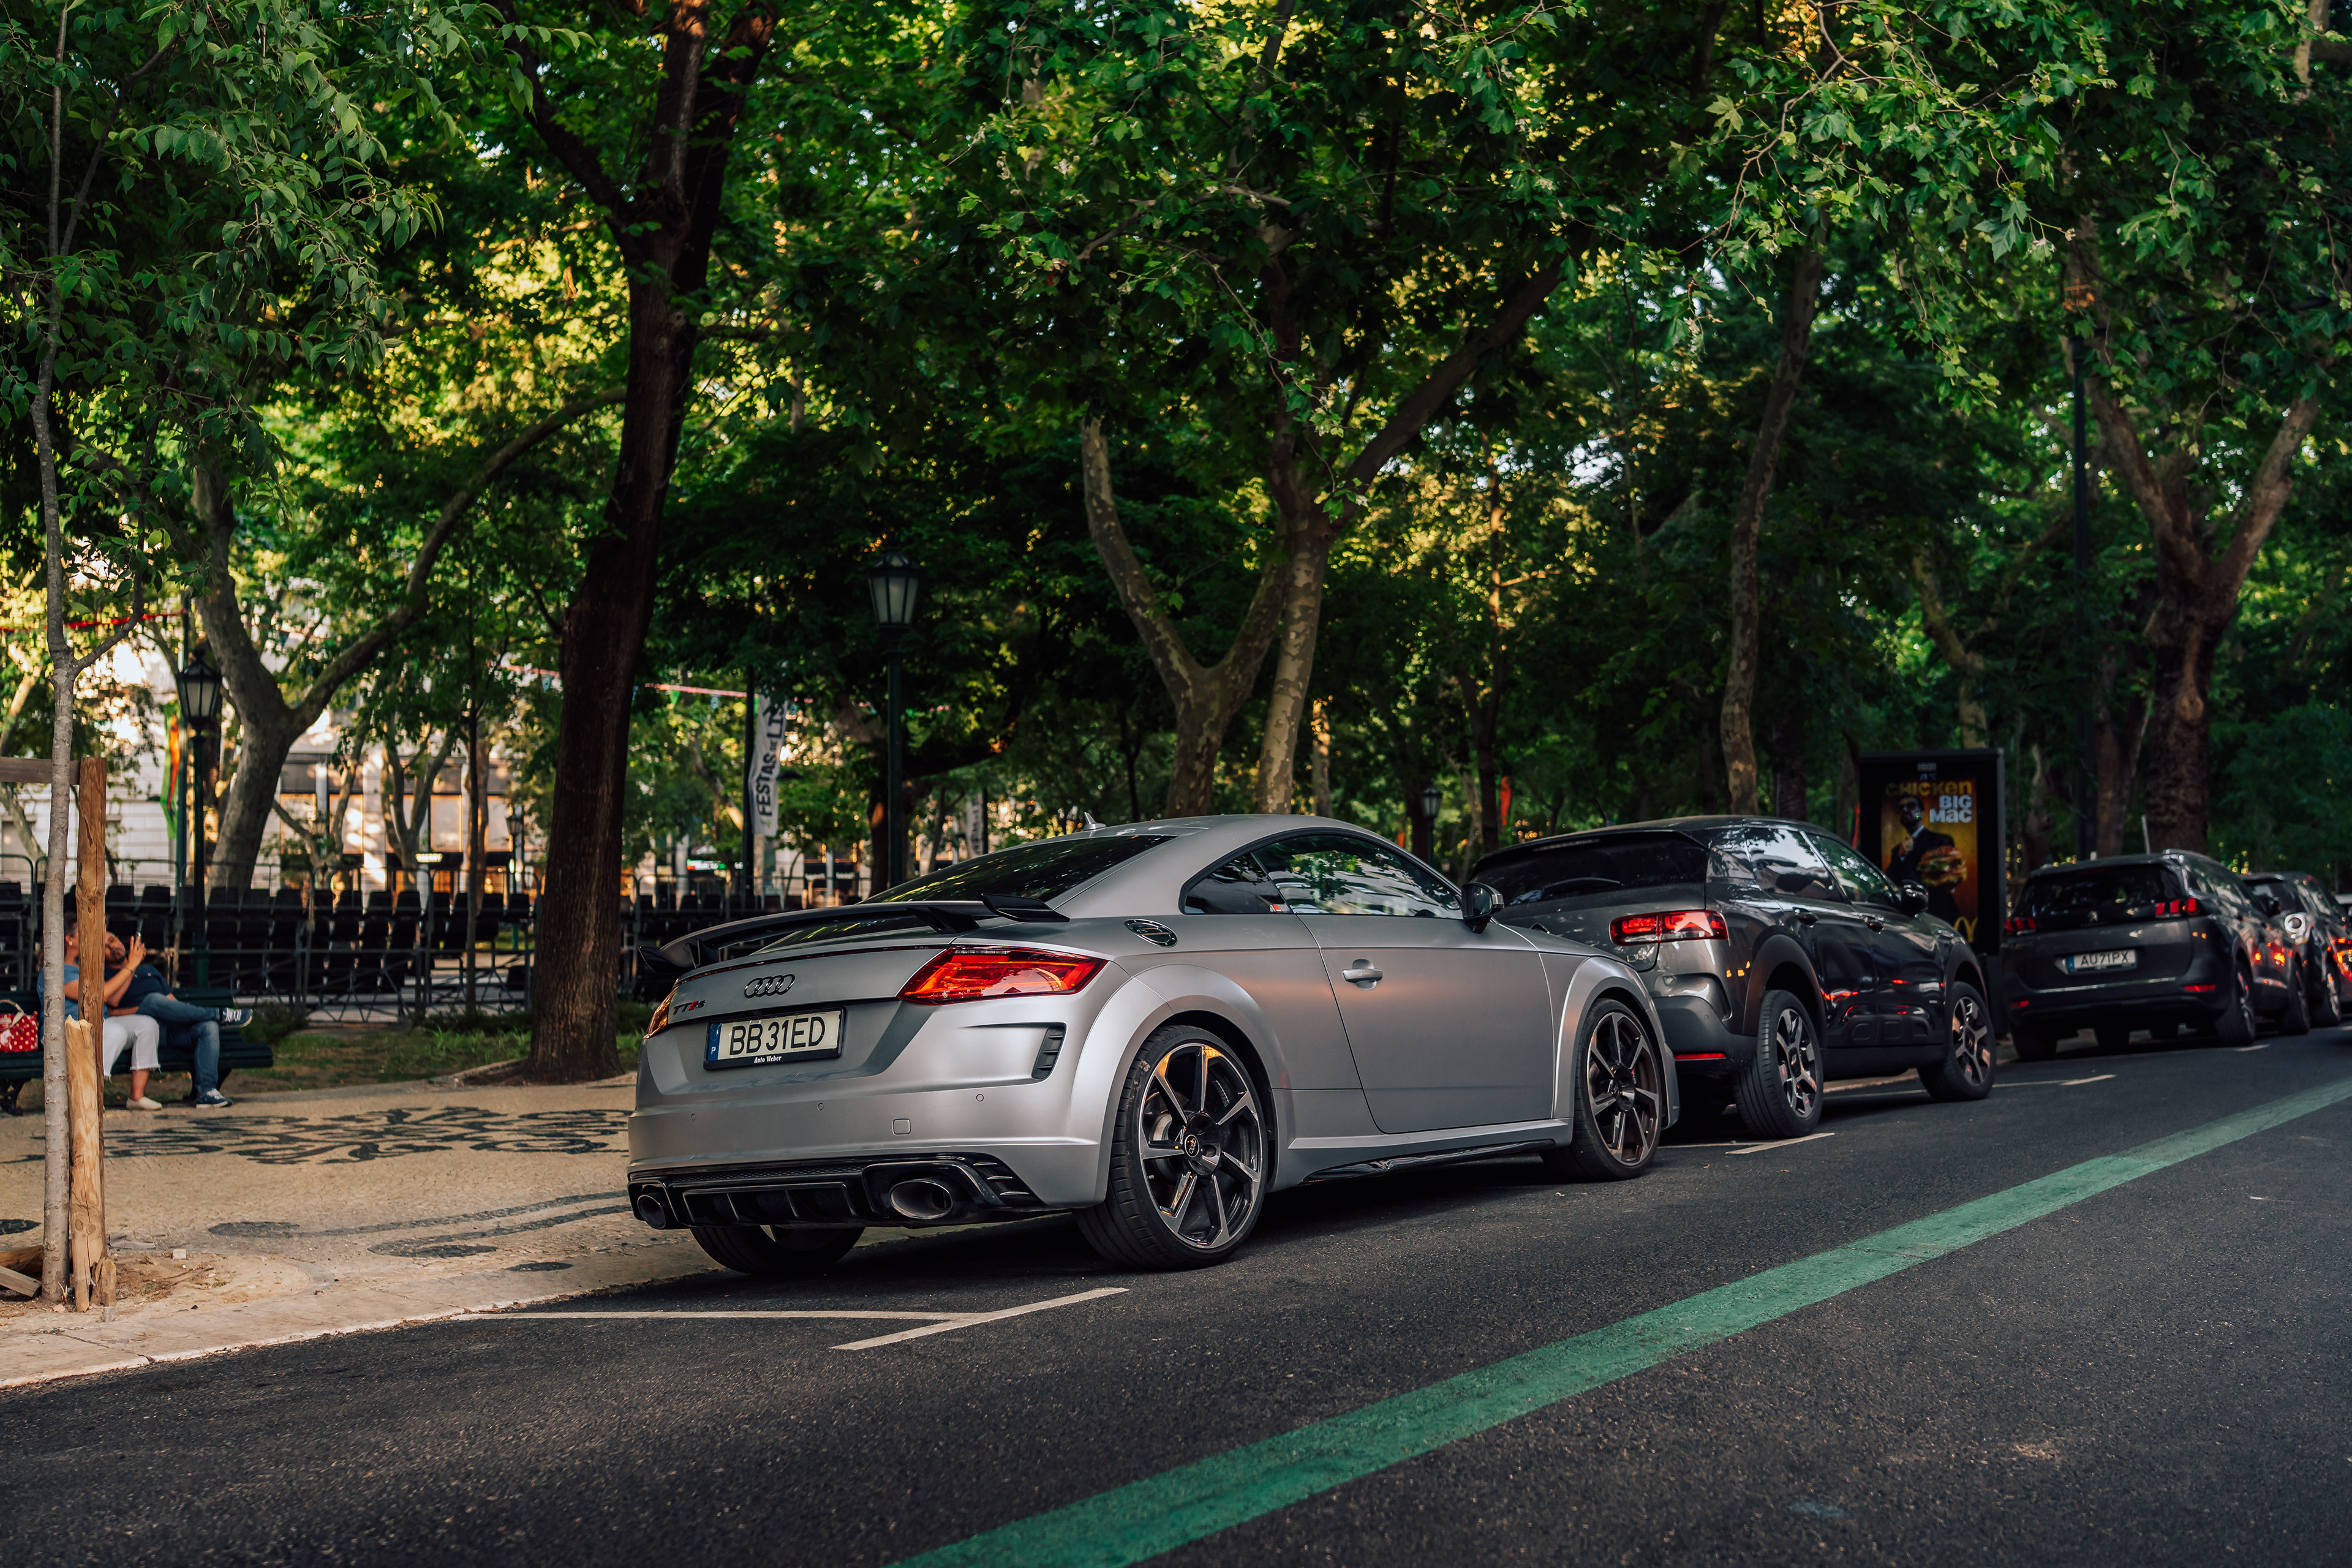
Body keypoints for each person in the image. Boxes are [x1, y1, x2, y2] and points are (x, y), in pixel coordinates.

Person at [107, 925, 242, 1107]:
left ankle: (207, 1092)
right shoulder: (107, 976)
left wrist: (182, 1015)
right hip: (145, 1030)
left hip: (171, 1028)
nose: (112, 947)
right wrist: (132, 966)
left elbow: (172, 1001)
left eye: (112, 940)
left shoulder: (149, 970)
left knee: (209, 1026)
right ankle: (219, 1014)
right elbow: (112, 1006)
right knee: (153, 1000)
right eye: (105, 947)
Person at [57, 928, 167, 1110]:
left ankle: (137, 1097)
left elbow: (112, 999)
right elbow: (100, 995)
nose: (92, 938)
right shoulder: (58, 970)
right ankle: (86, 1097)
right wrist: (131, 965)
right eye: (85, 933)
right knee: (116, 1032)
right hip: (71, 1029)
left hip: (99, 1022)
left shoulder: (85, 967)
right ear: (69, 939)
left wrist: (132, 965)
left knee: (147, 1024)